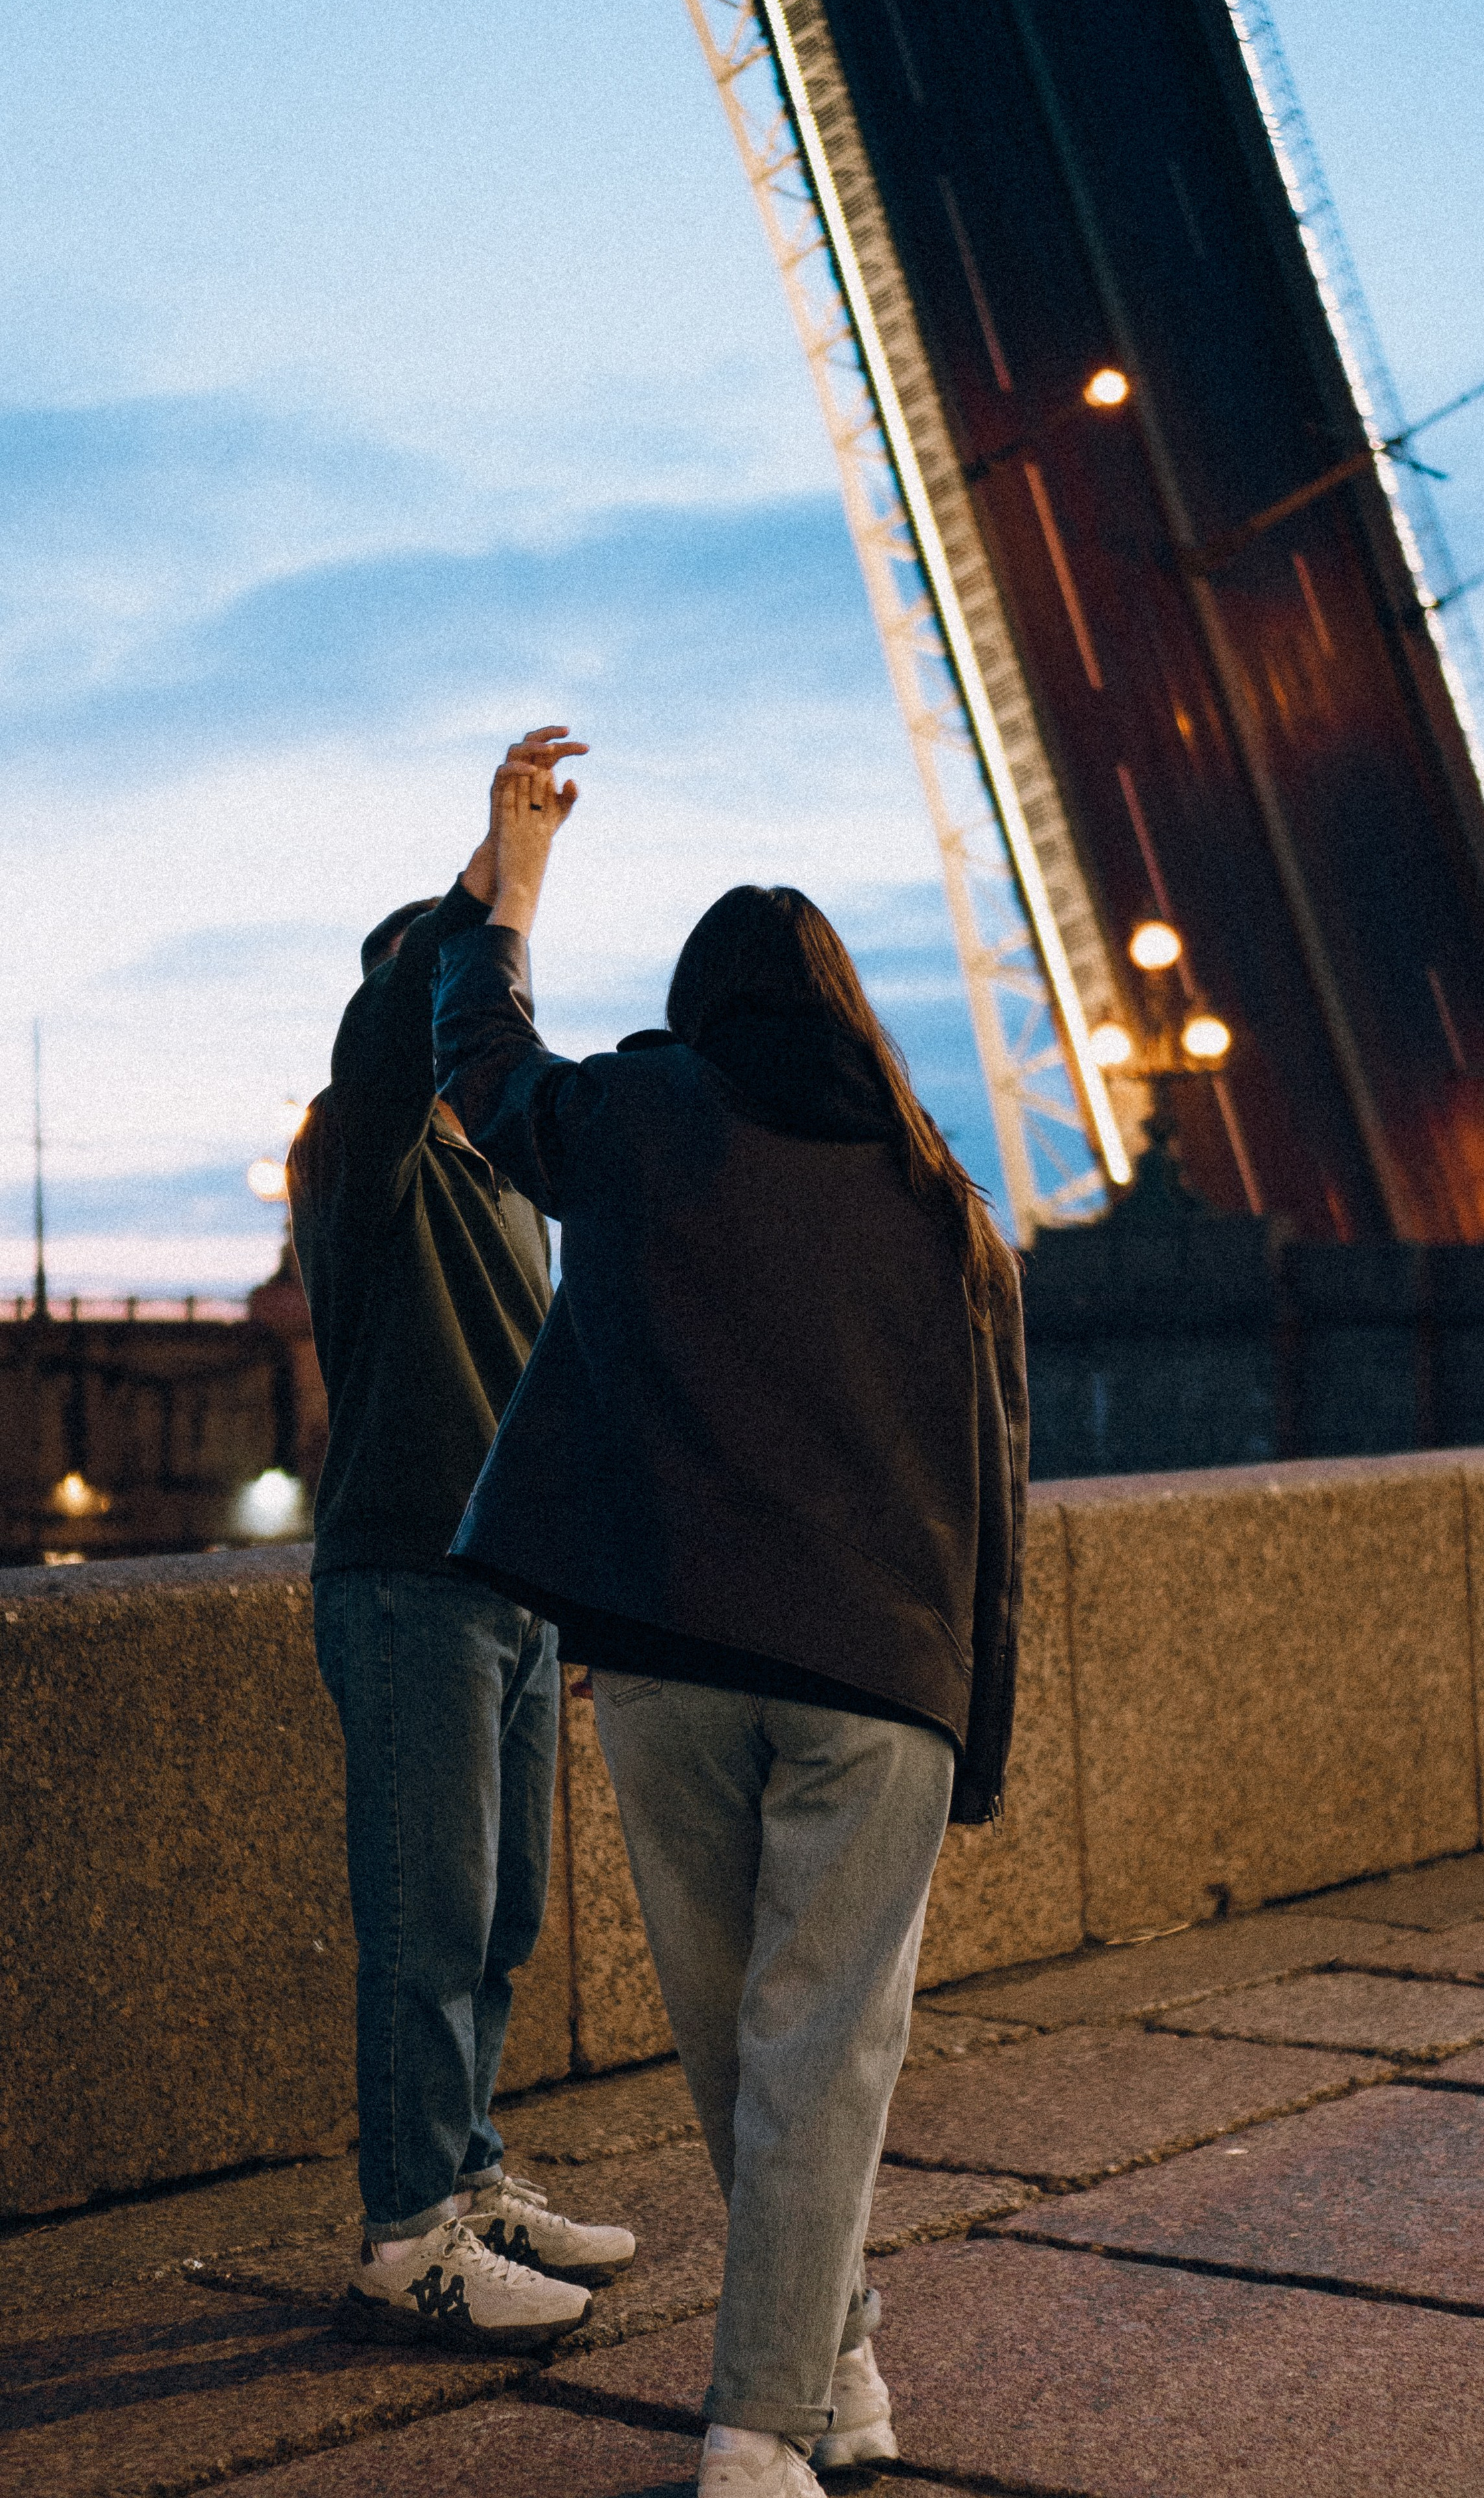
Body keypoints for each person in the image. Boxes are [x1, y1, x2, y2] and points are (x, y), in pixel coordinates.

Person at [432, 749, 1027, 2495]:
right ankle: (818, 2379)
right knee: (814, 2068)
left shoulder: (644, 1122)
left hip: (674, 1667)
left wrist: (508, 895)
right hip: (880, 1695)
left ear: (701, 1009)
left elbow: (482, 1074)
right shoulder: (953, 1210)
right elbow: (996, 1515)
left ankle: (764, 2423)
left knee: (747, 2062)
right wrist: (973, 1737)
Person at [287, 729, 636, 2353]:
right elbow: (406, 1022)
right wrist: (506, 871)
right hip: (407, 1577)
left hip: (505, 1584)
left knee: (499, 1918)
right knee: (424, 1924)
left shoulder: (508, 1189)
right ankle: (407, 2230)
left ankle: (471, 2174)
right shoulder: (376, 1160)